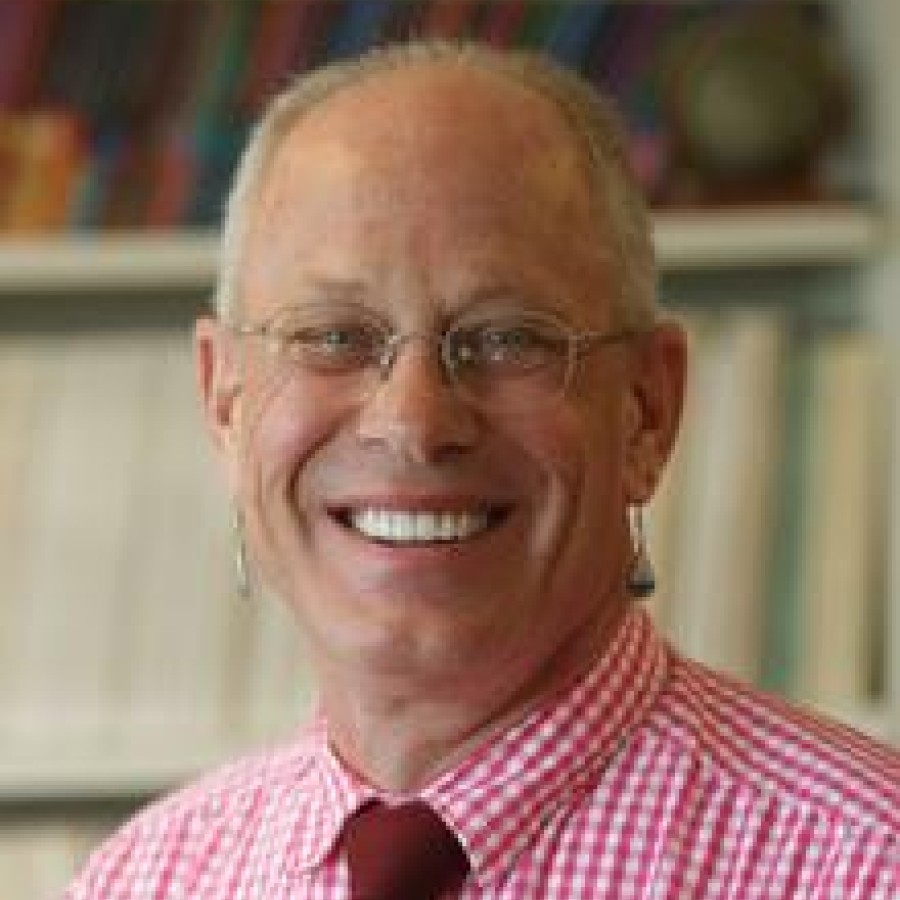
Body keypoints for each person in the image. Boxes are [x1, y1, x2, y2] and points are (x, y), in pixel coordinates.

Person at [66, 41, 897, 900]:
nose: (415, 424)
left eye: (508, 338)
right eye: (333, 337)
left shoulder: (867, 866)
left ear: (648, 410)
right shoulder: (145, 879)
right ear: (224, 404)